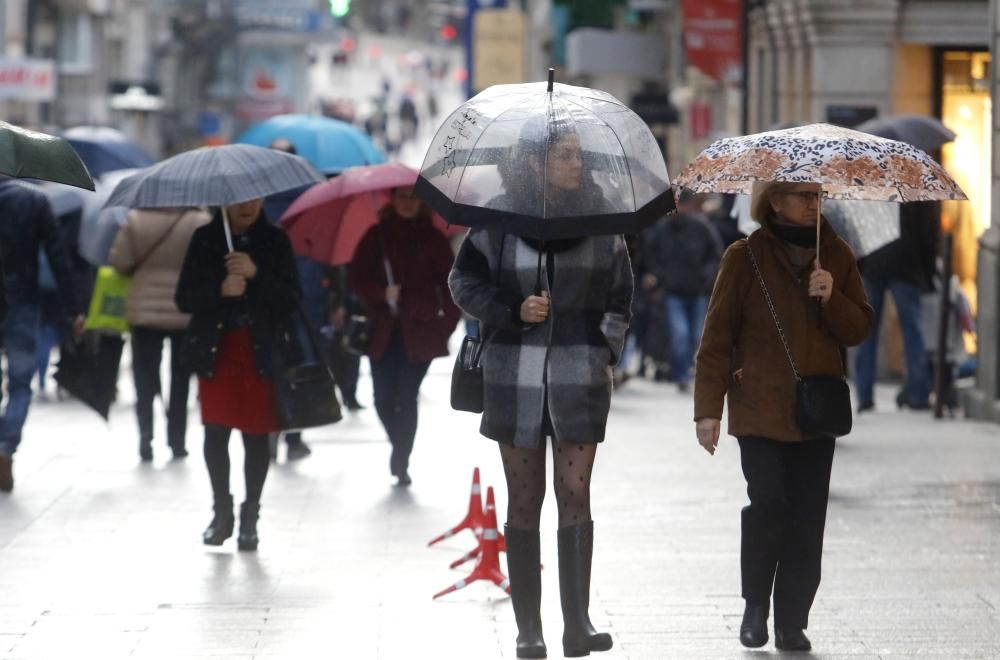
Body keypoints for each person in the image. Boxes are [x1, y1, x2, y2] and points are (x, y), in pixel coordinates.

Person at [449, 117, 633, 659]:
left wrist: (604, 348)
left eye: (578, 155)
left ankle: (577, 623)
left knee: (575, 493)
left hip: (580, 377)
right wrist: (511, 310)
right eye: (566, 156)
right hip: (515, 377)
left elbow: (620, 298)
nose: (577, 164)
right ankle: (529, 629)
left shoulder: (603, 225)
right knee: (525, 498)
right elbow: (463, 282)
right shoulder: (496, 224)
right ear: (534, 164)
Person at [694, 181, 873, 652]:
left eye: (818, 196)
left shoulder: (836, 255)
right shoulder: (744, 255)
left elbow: (858, 330)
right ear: (774, 201)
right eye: (802, 195)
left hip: (818, 410)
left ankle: (792, 619)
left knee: (808, 518)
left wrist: (832, 295)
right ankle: (755, 605)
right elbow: (716, 338)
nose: (814, 203)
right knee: (769, 505)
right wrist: (708, 410)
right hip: (759, 406)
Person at [175, 198, 301, 550]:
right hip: (217, 352)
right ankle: (222, 512)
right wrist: (221, 289)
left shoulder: (275, 239)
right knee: (215, 433)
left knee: (256, 435)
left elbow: (292, 298)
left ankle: (250, 516)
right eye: (239, 201)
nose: (248, 206)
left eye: (255, 199)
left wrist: (256, 275)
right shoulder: (205, 238)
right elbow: (184, 298)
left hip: (259, 351)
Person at [348, 186, 459, 486]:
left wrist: (444, 327)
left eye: (413, 197)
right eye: (401, 196)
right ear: (391, 199)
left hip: (420, 333)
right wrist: (381, 293)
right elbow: (356, 278)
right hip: (382, 333)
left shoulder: (433, 238)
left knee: (407, 397)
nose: (407, 203)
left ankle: (401, 458)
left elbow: (452, 285)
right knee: (382, 399)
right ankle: (399, 445)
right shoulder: (377, 236)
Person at [0, 178, 84, 493]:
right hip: (22, 301)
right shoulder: (34, 200)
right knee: (21, 384)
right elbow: (58, 257)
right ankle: (6, 447)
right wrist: (74, 308)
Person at [108, 207, 210, 461]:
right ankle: (177, 439)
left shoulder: (136, 220)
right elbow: (208, 265)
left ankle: (146, 435)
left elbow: (119, 262)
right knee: (181, 377)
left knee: (145, 375)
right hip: (184, 309)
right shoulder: (200, 221)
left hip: (144, 310)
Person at [854, 201, 940, 411]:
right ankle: (918, 393)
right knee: (913, 331)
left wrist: (860, 264)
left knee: (867, 330)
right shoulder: (918, 179)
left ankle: (864, 395)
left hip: (874, 261)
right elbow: (928, 233)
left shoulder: (874, 179)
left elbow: (859, 224)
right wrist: (928, 272)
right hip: (906, 264)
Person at [641, 191, 723, 392]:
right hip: (673, 291)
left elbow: (715, 254)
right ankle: (681, 373)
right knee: (681, 334)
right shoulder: (663, 229)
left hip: (697, 290)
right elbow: (651, 256)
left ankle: (685, 370)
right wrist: (659, 275)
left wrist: (706, 276)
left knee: (695, 335)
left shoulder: (702, 227)